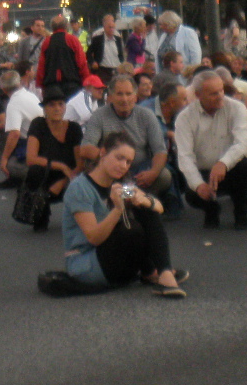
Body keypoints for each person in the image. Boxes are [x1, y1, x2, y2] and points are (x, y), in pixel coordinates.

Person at [62, 133, 185, 297]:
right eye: (119, 158)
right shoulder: (80, 188)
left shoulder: (120, 185)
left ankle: (164, 272)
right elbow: (93, 238)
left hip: (116, 261)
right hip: (87, 265)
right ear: (103, 152)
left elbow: (159, 209)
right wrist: (118, 210)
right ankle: (152, 272)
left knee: (146, 209)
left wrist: (144, 199)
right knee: (130, 229)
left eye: (128, 162)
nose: (123, 166)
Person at [173, 71, 247, 229]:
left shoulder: (237, 108)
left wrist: (223, 163)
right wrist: (198, 185)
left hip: (231, 168)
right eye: (214, 93)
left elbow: (242, 144)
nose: (220, 95)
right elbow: (185, 157)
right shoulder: (184, 118)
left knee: (245, 167)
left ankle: (241, 213)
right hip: (203, 171)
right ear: (198, 95)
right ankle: (211, 209)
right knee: (192, 194)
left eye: (221, 90)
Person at [78, 74, 171, 196]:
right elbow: (85, 149)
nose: (124, 99)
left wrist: (153, 172)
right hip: (110, 170)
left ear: (136, 97)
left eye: (128, 94)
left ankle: (137, 202)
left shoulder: (147, 115)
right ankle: (127, 201)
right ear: (110, 97)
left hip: (139, 171)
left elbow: (160, 150)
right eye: (119, 94)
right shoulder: (99, 115)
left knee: (164, 176)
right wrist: (114, 160)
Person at [23, 90, 83, 231]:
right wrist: (61, 166)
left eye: (60, 104)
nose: (57, 108)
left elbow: (80, 164)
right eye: (51, 105)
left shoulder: (74, 128)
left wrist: (63, 182)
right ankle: (41, 211)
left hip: (70, 176)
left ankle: (82, 214)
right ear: (44, 108)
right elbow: (31, 159)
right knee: (34, 171)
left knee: (85, 176)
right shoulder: (38, 124)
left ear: (65, 107)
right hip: (47, 175)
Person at [0, 69, 43, 186]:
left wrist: (4, 159)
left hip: (32, 143)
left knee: (4, 136)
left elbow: (14, 134)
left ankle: (19, 175)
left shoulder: (14, 103)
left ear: (3, 89)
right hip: (41, 138)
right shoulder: (30, 95)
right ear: (19, 83)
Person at [36, 14, 88, 101]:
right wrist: (86, 81)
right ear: (66, 26)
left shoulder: (47, 42)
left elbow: (42, 66)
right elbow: (81, 63)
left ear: (52, 27)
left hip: (51, 86)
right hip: (72, 85)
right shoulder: (72, 40)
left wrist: (40, 85)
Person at [86, 14, 125, 80]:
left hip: (117, 69)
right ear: (104, 27)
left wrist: (122, 64)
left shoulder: (118, 38)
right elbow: (88, 53)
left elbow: (121, 54)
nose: (111, 29)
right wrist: (92, 62)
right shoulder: (97, 39)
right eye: (109, 27)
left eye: (113, 27)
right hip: (103, 70)